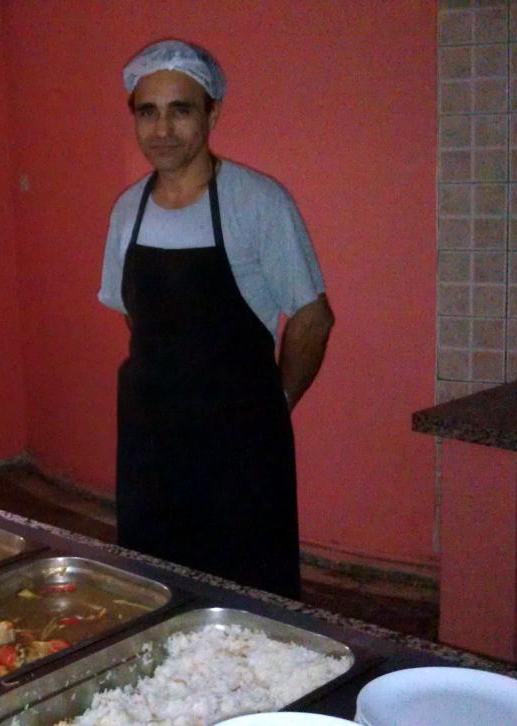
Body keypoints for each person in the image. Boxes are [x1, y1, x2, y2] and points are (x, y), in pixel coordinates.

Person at [98, 39, 334, 599]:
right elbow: (137, 316)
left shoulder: (259, 202)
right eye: (147, 112)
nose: (162, 129)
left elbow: (312, 318)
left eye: (180, 110)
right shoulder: (127, 210)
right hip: (150, 436)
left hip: (240, 439)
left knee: (249, 591)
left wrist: (273, 403)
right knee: (155, 583)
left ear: (213, 114)